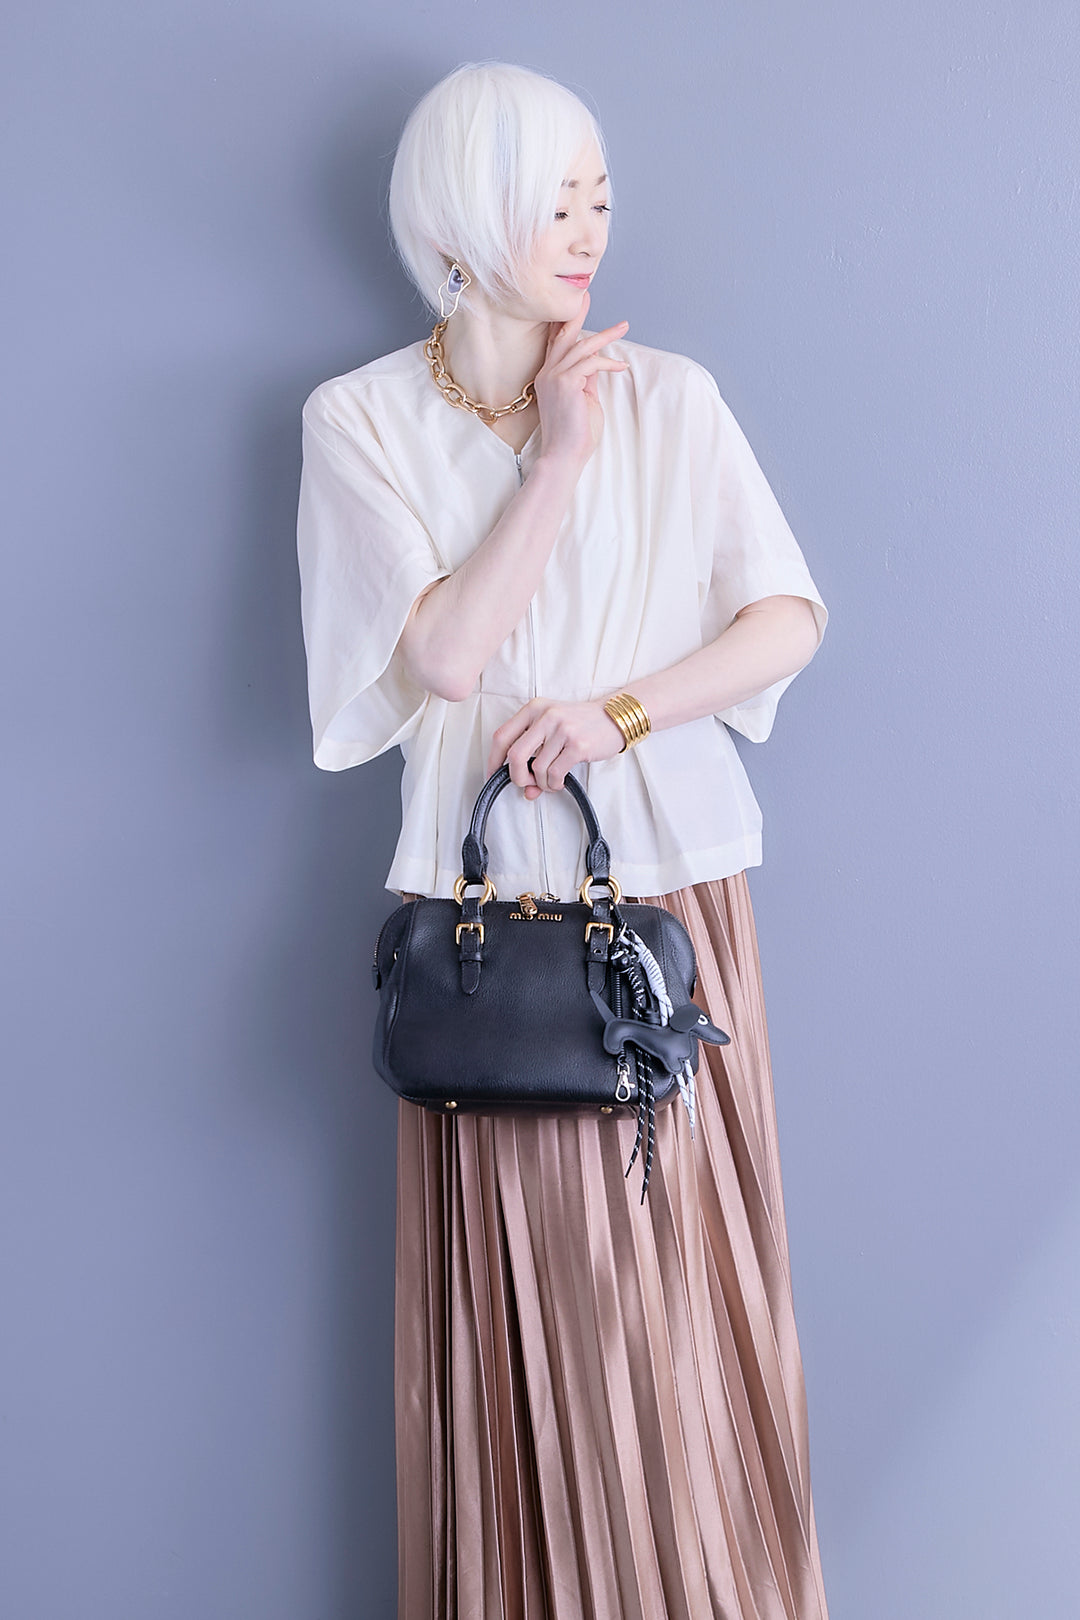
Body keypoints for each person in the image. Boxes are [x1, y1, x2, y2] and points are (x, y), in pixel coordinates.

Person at [297, 60, 831, 1620]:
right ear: (461, 223)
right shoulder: (362, 422)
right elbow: (446, 659)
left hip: (664, 908)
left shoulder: (674, 394)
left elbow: (787, 619)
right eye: (556, 203)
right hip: (487, 943)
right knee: (540, 1314)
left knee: (679, 1311)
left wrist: (619, 715)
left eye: (599, 195)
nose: (592, 229)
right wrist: (557, 459)